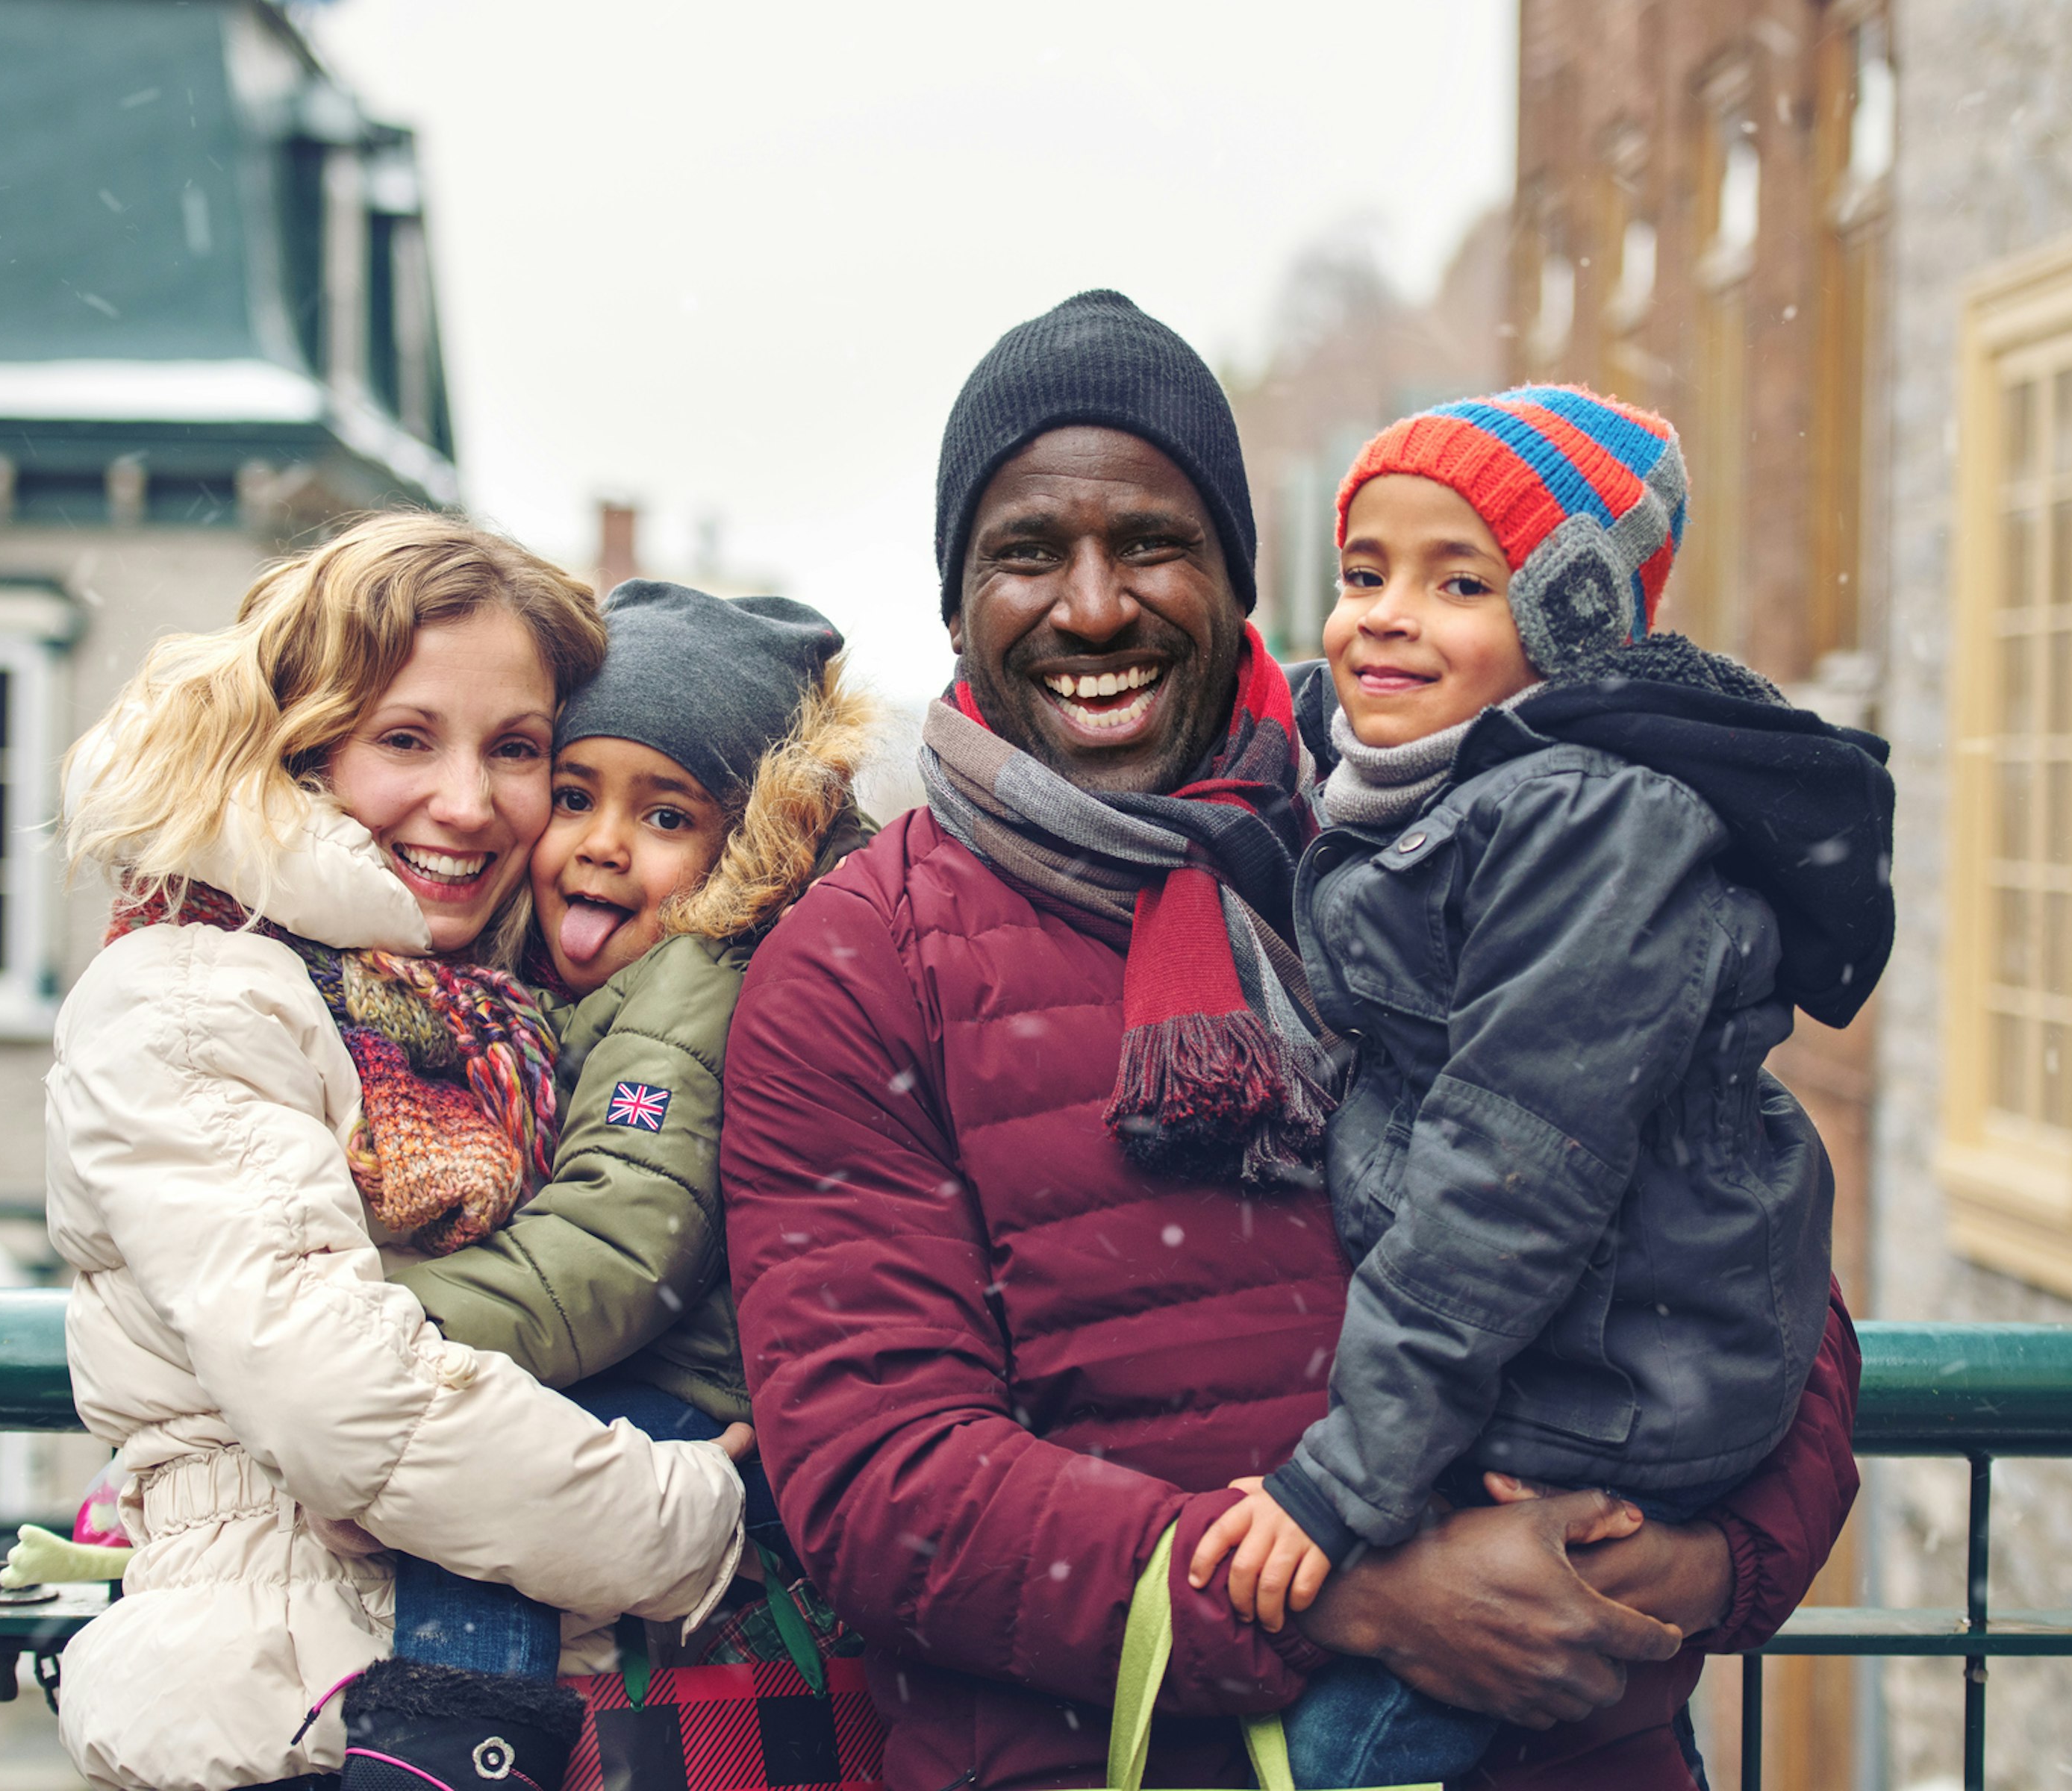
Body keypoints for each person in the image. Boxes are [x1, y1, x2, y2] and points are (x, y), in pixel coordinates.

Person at [721, 290, 1865, 1790]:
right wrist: (1352, 1594)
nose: (1091, 606)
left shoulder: (1466, 841)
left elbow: (1739, 1232)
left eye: (1149, 544)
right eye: (1025, 553)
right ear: (954, 604)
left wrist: (1715, 1558)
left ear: (1238, 580)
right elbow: (887, 1486)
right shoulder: (859, 962)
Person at [1187, 390, 1894, 1787]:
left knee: (1350, 1752)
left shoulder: (1589, 819)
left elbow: (1509, 1170)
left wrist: (1340, 1485)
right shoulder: (1429, 782)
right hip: (1560, 1350)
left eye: (1461, 582)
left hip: (1600, 1372)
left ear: (1573, 621)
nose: (1385, 616)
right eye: (1363, 573)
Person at [46, 516, 749, 1791]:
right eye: (407, 741)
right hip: (284, 1715)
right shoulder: (203, 992)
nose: (471, 804)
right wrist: (680, 1517)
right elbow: (343, 1401)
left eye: (519, 750)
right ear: (303, 743)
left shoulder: (473, 1006)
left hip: (458, 1710)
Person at [387, 579, 876, 1678]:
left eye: (665, 817)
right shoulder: (561, 987)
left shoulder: (694, 983)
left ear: (749, 850)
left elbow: (616, 1250)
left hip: (692, 1402)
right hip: (637, 1381)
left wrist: (374, 1314)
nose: (604, 845)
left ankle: (454, 1740)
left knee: (482, 1490)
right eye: (573, 796)